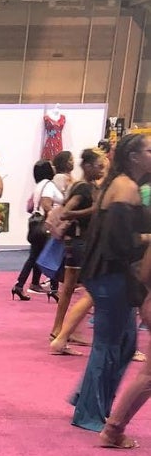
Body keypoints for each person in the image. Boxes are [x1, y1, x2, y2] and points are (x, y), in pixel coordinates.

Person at [71, 132, 151, 435]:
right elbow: (120, 242)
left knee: (124, 344)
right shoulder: (125, 187)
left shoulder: (124, 185)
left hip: (111, 275)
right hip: (111, 275)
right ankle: (89, 412)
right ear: (134, 157)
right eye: (149, 150)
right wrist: (147, 238)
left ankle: (87, 400)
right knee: (109, 345)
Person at [49, 147, 106, 353]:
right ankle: (62, 332)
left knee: (69, 289)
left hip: (77, 242)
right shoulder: (83, 188)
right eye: (99, 166)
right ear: (88, 166)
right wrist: (93, 210)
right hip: (80, 243)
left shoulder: (87, 186)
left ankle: (61, 330)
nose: (101, 170)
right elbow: (65, 213)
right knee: (89, 290)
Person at [12, 160, 62, 300]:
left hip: (35, 224)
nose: (54, 167)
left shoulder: (39, 185)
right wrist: (54, 220)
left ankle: (19, 285)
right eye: (51, 166)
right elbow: (46, 204)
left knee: (33, 257)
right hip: (45, 225)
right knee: (52, 256)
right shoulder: (49, 185)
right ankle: (54, 289)